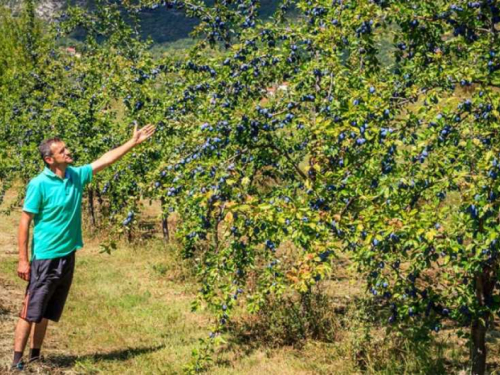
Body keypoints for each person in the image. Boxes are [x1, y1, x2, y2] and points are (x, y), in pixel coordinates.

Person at [10, 124, 155, 371]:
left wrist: (133, 143)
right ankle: (16, 362)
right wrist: (23, 260)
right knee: (30, 309)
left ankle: (35, 356)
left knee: (46, 310)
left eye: (66, 148)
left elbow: (105, 160)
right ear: (49, 159)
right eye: (62, 150)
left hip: (67, 255)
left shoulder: (75, 175)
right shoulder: (39, 184)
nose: (68, 151)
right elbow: (25, 222)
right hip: (45, 257)